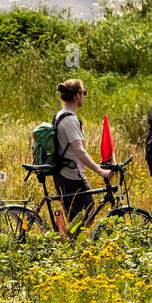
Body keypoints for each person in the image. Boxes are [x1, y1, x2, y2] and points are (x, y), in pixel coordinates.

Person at [51, 79, 115, 230]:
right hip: (72, 175)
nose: (84, 96)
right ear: (77, 95)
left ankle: (67, 240)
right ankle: (66, 240)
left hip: (61, 174)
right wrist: (101, 171)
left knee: (77, 219)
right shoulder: (70, 120)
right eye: (84, 93)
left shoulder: (59, 115)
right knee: (88, 213)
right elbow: (79, 150)